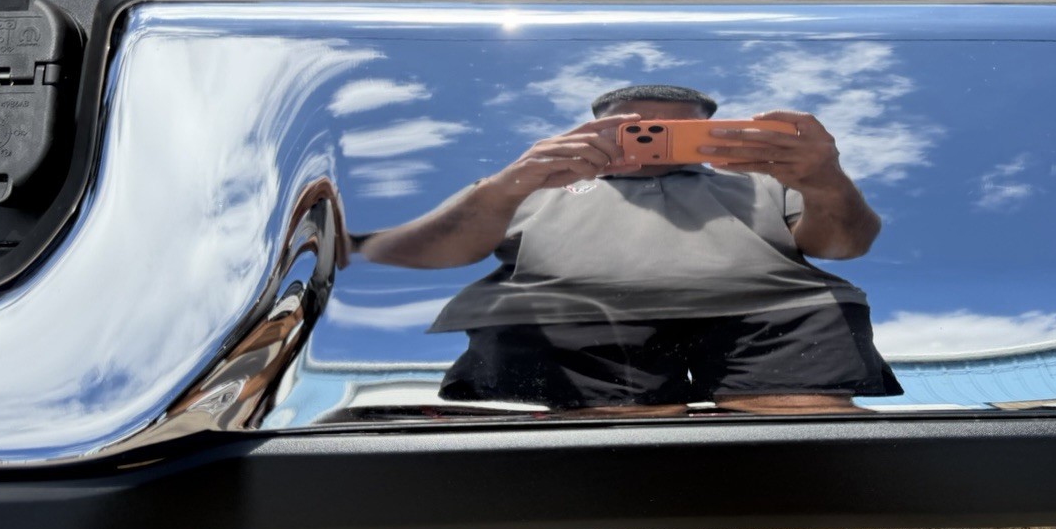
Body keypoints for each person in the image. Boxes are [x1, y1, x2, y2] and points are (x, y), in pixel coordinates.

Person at [356, 83, 899, 414]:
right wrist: (506, 185)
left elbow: (844, 246)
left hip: (777, 310)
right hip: (572, 312)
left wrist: (826, 180)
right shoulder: (526, 184)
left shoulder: (764, 182)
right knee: (611, 432)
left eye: (676, 133)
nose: (653, 141)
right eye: (633, 129)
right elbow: (411, 251)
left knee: (803, 416)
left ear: (710, 132)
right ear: (594, 129)